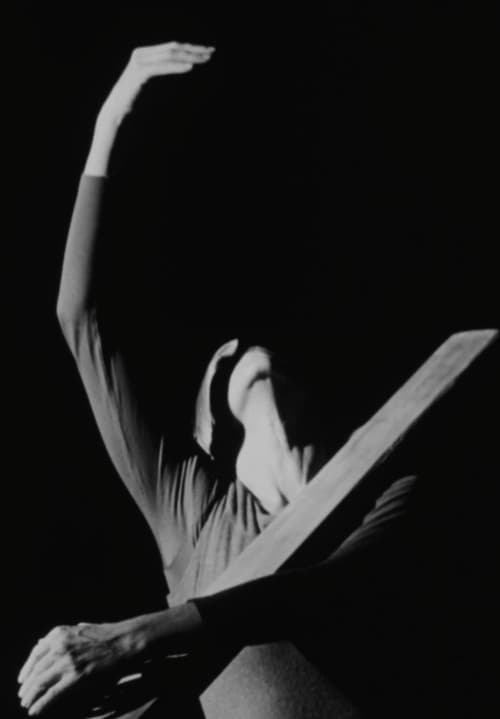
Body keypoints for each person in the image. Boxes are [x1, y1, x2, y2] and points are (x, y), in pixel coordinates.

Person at [17, 42, 425, 719]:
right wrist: (110, 119)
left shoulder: (389, 493)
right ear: (212, 437)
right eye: (237, 386)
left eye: (281, 381)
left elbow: (326, 592)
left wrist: (131, 638)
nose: (263, 385)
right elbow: (80, 316)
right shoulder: (197, 520)